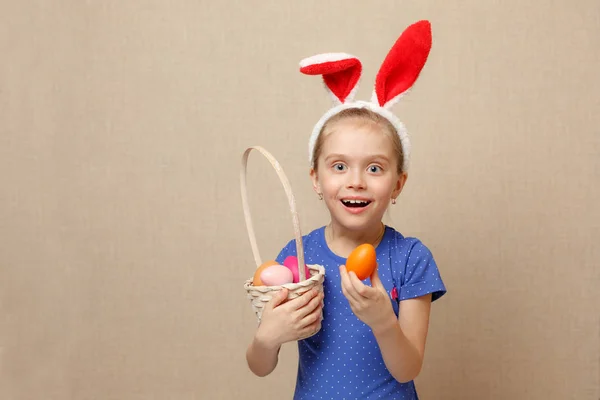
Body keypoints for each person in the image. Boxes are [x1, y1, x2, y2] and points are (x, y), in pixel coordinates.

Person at [246, 20, 447, 399]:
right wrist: (267, 337)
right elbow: (260, 366)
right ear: (316, 180)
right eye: (339, 166)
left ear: (398, 184)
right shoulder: (297, 258)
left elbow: (409, 368)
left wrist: (383, 321)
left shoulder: (411, 259)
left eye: (374, 168)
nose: (356, 181)